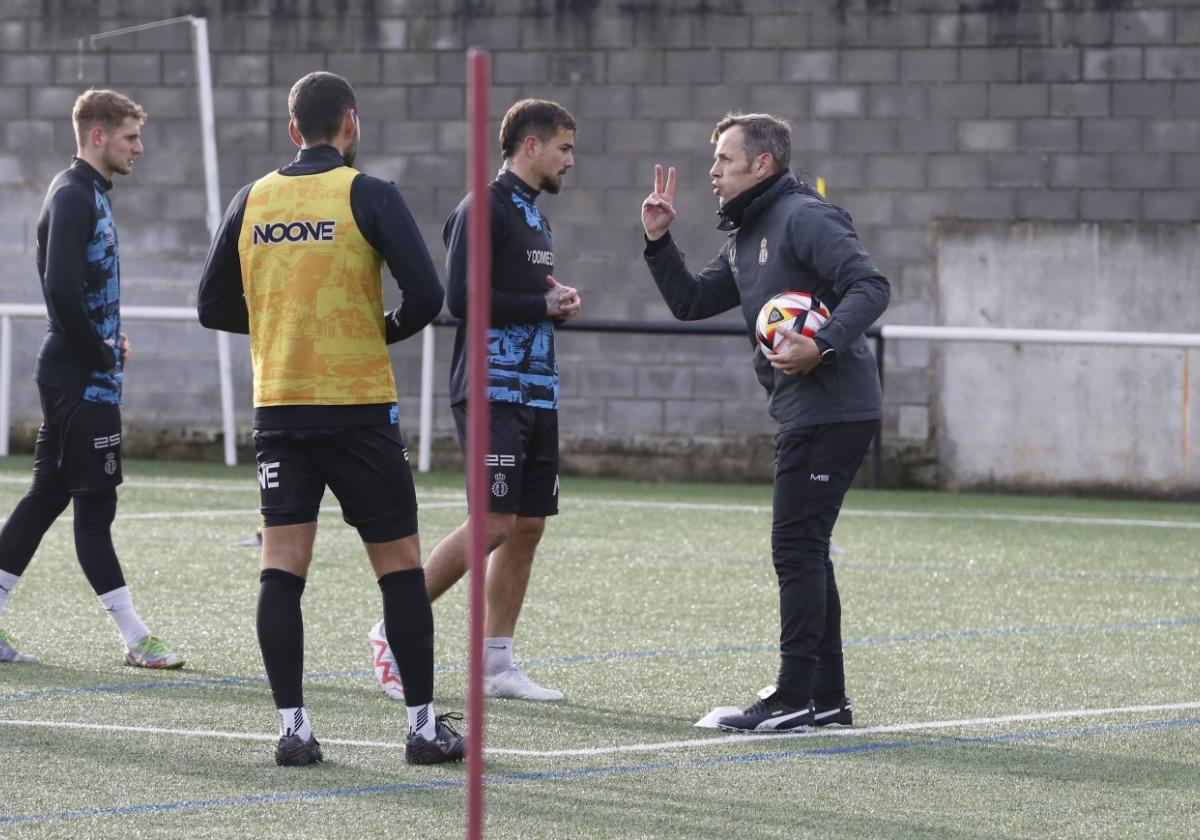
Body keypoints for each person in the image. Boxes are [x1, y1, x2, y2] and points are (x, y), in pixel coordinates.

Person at [198, 71, 463, 766]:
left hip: (280, 408)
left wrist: (280, 326)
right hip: (358, 408)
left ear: (293, 130)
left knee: (281, 570)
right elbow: (428, 294)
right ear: (352, 124)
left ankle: (293, 729)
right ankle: (422, 728)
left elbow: (210, 306)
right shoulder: (368, 193)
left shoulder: (250, 198)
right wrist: (379, 329)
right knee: (400, 569)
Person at [640, 113, 889, 732]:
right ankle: (825, 698)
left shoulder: (804, 216)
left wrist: (822, 344)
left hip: (832, 410)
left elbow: (870, 285)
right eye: (714, 160)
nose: (713, 172)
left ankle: (795, 698)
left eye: (725, 160)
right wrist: (657, 241)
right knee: (809, 552)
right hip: (806, 412)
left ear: (762, 165)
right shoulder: (748, 232)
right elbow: (691, 302)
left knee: (796, 549)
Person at [368, 98, 580, 703]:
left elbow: (517, 297)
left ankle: (495, 663)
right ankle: (390, 630)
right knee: (493, 523)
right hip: (492, 389)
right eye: (564, 148)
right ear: (531, 146)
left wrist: (555, 305)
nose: (570, 161)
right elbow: (461, 298)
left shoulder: (536, 219)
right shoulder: (481, 206)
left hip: (538, 390)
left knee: (529, 526)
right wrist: (540, 306)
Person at [0, 89, 185, 670]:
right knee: (95, 508)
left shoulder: (92, 193)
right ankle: (136, 638)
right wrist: (98, 354)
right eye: (131, 136)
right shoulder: (74, 192)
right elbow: (58, 287)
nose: (140, 147)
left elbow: (80, 292)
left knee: (45, 497)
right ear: (98, 135)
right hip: (79, 381)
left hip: (83, 374)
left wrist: (108, 339)